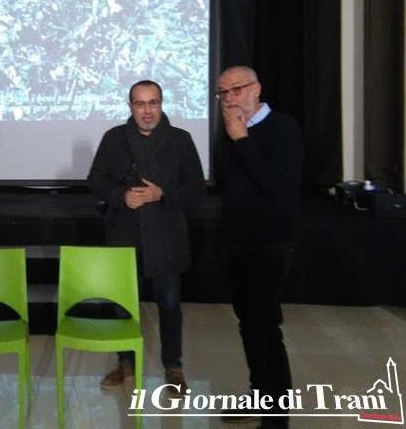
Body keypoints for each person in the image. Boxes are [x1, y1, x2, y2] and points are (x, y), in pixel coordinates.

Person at [87, 80, 204, 395]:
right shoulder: (114, 139)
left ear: (161, 104)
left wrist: (162, 193)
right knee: (122, 304)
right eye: (140, 104)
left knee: (170, 304)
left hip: (166, 237)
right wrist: (122, 196)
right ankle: (125, 362)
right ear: (130, 107)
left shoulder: (180, 140)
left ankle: (173, 366)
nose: (147, 111)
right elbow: (95, 181)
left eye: (153, 103)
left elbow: (197, 189)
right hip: (124, 234)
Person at [215, 66, 303, 429]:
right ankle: (258, 396)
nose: (229, 98)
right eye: (223, 93)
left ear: (257, 89)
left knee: (265, 328)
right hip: (236, 242)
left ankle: (277, 419)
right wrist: (236, 137)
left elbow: (270, 182)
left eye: (236, 89)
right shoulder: (232, 131)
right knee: (248, 325)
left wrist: (241, 138)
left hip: (269, 244)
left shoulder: (282, 127)